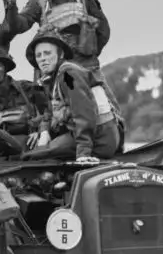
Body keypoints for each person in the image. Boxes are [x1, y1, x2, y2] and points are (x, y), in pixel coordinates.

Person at [21, 30, 122, 162]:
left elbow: (83, 111)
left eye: (47, 53)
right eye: (38, 55)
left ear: (61, 54)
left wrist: (83, 153)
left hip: (99, 140)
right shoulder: (53, 79)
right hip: (88, 136)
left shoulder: (68, 74)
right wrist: (44, 131)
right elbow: (50, 111)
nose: (42, 58)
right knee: (36, 150)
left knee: (32, 157)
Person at [0, 46, 48, 150]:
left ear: (5, 67)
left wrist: (41, 131)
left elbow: (49, 111)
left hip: (34, 146)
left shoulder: (28, 87)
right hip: (3, 151)